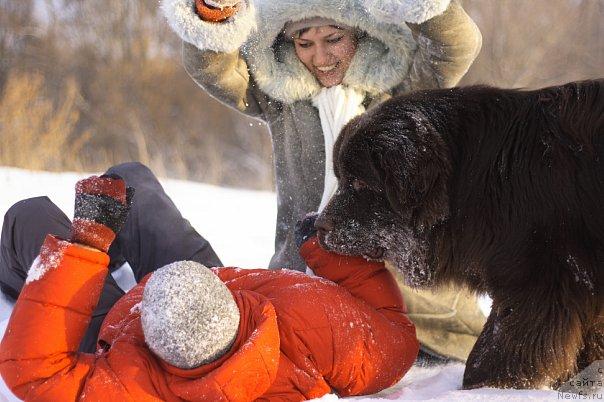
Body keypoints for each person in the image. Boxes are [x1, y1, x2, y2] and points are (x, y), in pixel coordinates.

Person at [162, 0, 486, 361]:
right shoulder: (279, 96)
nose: (321, 57)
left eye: (333, 39)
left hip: (415, 304)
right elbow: (215, 71)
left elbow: (457, 46)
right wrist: (214, 13)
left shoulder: (403, 87)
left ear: (363, 34)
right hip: (306, 285)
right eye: (305, 44)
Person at [0, 174, 419, 401]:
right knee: (132, 179)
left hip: (113, 320)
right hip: (208, 291)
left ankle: (19, 272)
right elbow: (394, 335)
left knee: (27, 213)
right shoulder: (315, 327)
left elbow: (34, 371)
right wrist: (325, 248)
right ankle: (120, 241)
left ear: (146, 335)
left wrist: (88, 244)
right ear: (234, 306)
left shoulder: (131, 387)